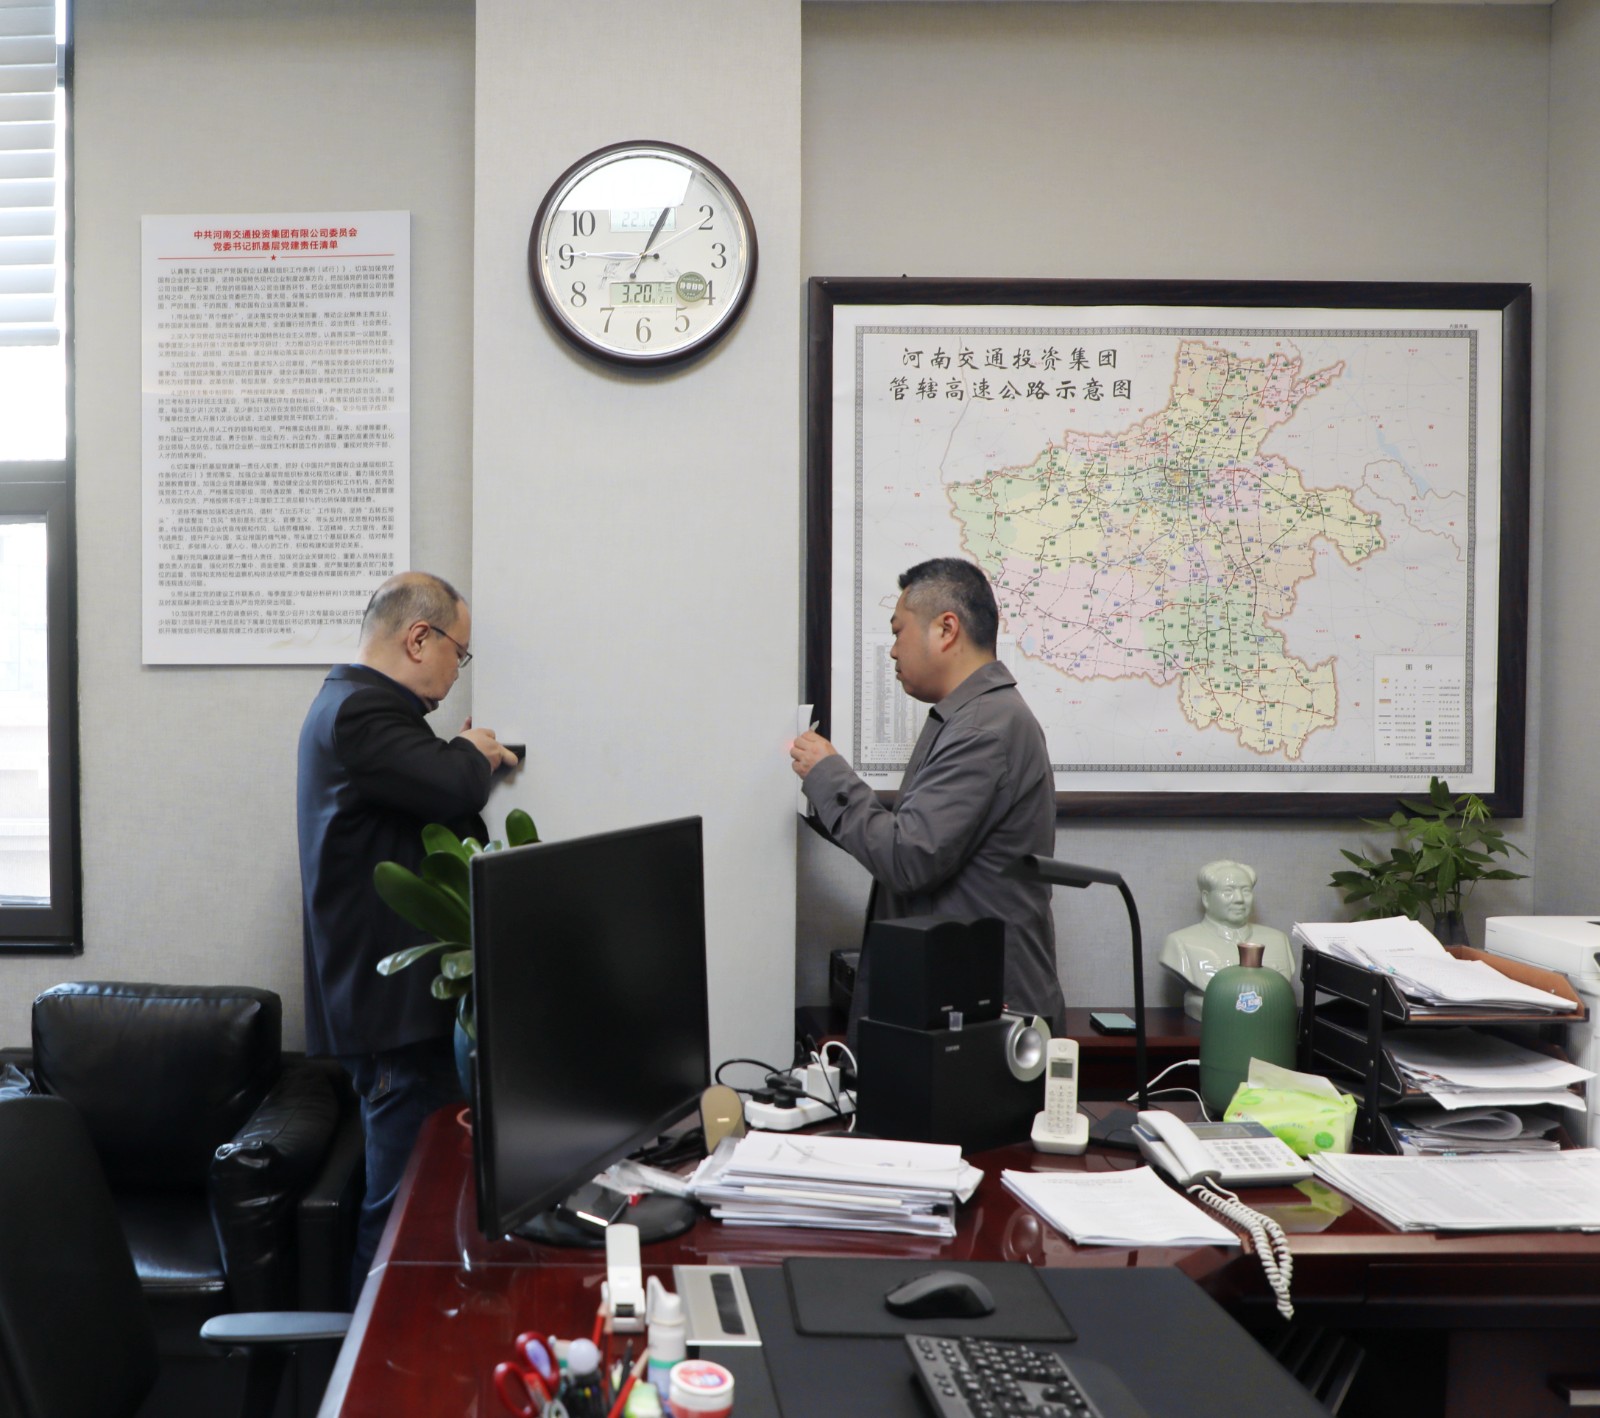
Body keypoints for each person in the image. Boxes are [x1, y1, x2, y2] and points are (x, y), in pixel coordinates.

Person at [297, 570, 518, 1297]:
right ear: (419, 637)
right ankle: (369, 1359)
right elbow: (449, 786)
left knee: (413, 1203)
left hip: (389, 1015)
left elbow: (429, 792)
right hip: (391, 1017)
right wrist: (474, 752)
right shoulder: (361, 711)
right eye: (460, 651)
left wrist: (458, 755)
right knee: (400, 1214)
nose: (457, 672)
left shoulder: (358, 708)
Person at [790, 557, 1064, 1034]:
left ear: (946, 629)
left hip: (981, 1021)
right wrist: (822, 798)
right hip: (962, 1001)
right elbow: (914, 843)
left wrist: (828, 774)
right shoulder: (974, 716)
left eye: (898, 632)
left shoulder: (983, 729)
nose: (894, 651)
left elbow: (908, 857)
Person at [1159, 860, 1297, 1021]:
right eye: (1228, 891)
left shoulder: (1278, 940)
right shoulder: (1180, 943)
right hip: (1214, 1023)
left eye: (1246, 891)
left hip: (1271, 1024)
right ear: (1206, 898)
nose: (1239, 899)